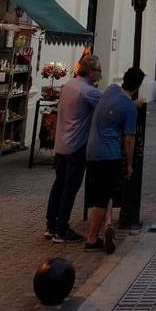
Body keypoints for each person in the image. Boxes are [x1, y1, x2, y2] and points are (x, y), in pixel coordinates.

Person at [84, 67, 145, 253]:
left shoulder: (110, 90)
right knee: (102, 197)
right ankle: (92, 239)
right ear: (138, 86)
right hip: (109, 155)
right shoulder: (129, 109)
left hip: (91, 151)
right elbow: (129, 139)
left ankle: (108, 224)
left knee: (104, 191)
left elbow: (113, 106)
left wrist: (132, 104)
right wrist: (129, 164)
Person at [45, 55, 102, 242]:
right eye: (99, 70)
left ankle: (51, 225)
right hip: (77, 145)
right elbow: (107, 106)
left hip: (61, 144)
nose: (100, 74)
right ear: (91, 71)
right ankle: (62, 229)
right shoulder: (88, 91)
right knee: (70, 188)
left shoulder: (69, 85)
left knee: (58, 184)